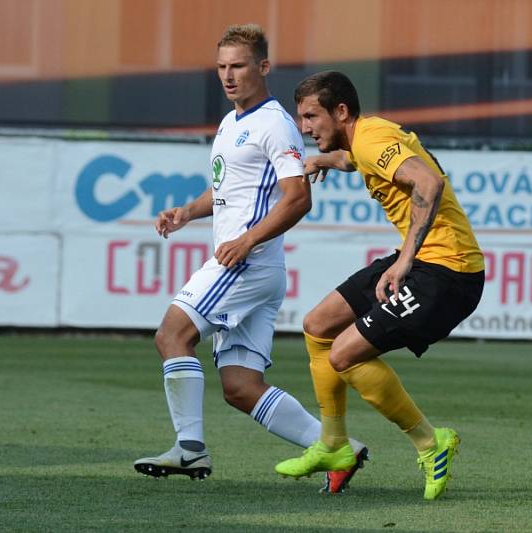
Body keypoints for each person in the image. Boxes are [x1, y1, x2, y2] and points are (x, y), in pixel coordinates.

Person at [134, 27, 367, 492]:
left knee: (171, 335)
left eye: (238, 66)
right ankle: (342, 447)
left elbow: (297, 197)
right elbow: (227, 191)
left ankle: (190, 449)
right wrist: (187, 212)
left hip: (245, 263)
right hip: (258, 267)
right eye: (221, 67)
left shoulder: (274, 123)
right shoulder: (231, 122)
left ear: (262, 67)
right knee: (240, 387)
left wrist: (246, 242)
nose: (228, 75)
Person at [274, 71, 485, 500]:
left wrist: (404, 262)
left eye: (311, 116)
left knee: (343, 354)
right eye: (301, 118)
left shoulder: (369, 139)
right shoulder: (366, 137)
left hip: (448, 273)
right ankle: (334, 445)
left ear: (341, 111)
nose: (305, 127)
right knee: (318, 325)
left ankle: (431, 443)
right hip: (425, 260)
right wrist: (323, 160)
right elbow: (356, 160)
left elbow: (429, 182)